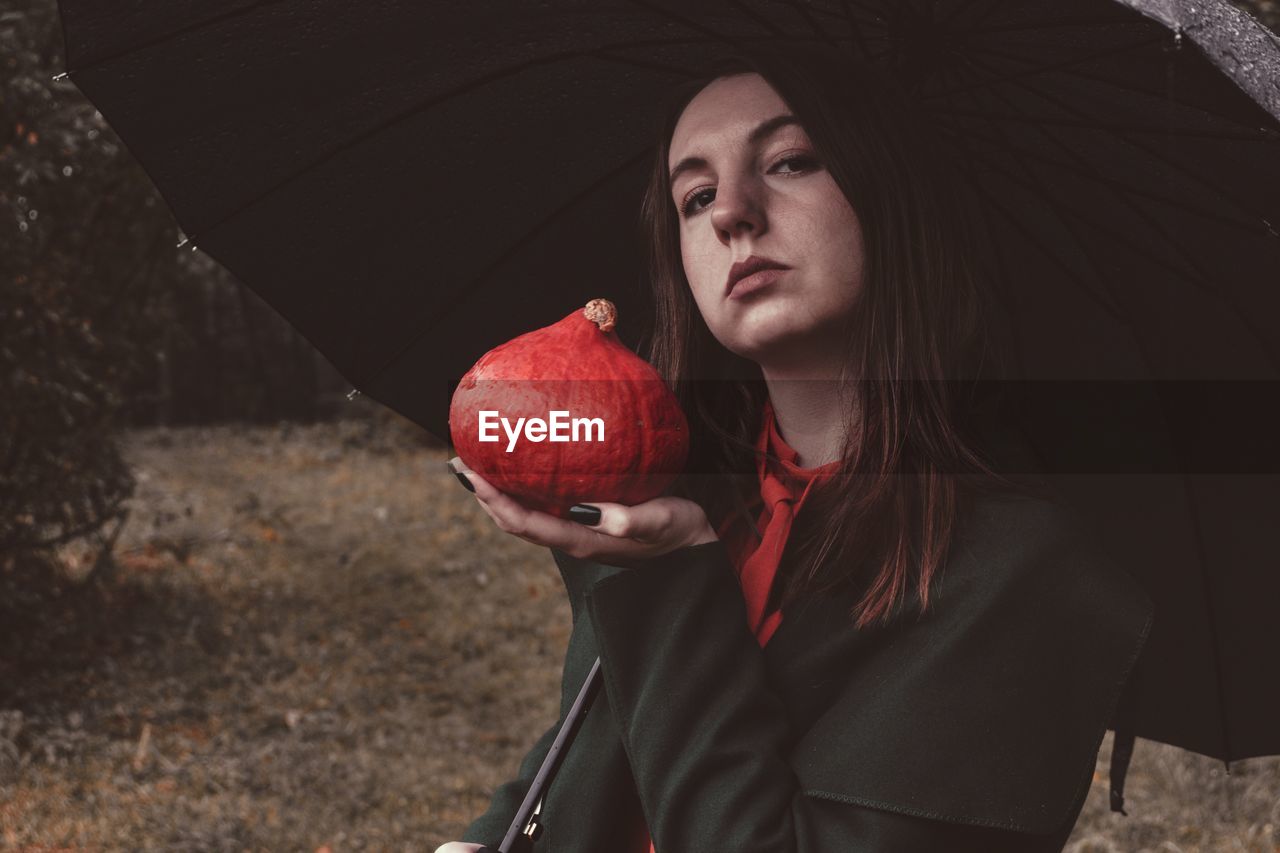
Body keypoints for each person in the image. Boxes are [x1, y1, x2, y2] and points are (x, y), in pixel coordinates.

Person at [437, 45, 1153, 853]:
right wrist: (490, 837)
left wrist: (669, 577)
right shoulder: (693, 488)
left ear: (891, 196)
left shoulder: (1022, 575)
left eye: (790, 161)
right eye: (695, 194)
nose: (730, 213)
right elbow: (611, 731)